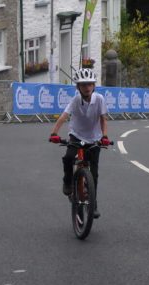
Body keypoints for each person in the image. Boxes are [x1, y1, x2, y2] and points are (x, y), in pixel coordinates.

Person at [49, 68, 110, 219]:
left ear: (94, 85)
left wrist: (105, 136)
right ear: (78, 87)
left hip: (94, 137)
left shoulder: (100, 99)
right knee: (69, 157)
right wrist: (54, 133)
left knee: (94, 173)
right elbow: (64, 116)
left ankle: (93, 204)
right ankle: (68, 182)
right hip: (76, 135)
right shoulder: (76, 100)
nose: (87, 87)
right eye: (83, 85)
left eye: (90, 84)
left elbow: (103, 119)